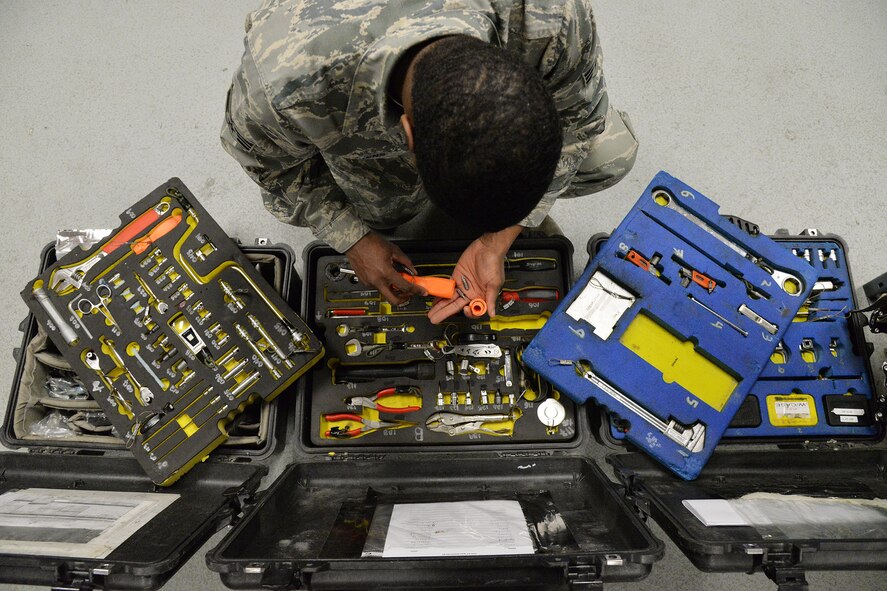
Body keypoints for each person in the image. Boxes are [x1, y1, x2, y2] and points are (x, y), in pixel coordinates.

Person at [222, 0, 637, 323]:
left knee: (610, 155)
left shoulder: (550, 18)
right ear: (406, 136)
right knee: (386, 211)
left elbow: (579, 119)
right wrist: (352, 237)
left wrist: (499, 239)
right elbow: (270, 166)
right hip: (322, 50)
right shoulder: (282, 87)